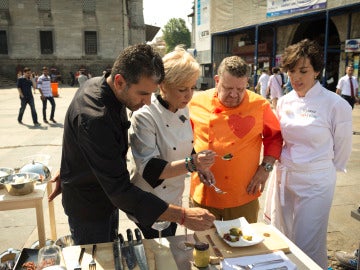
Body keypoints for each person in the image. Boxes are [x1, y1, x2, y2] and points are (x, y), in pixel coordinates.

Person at [51, 44, 215, 245]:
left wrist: (70, 167)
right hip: (90, 205)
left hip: (106, 194)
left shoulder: (101, 85)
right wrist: (182, 216)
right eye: (143, 94)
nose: (147, 102)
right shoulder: (96, 117)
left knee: (111, 249)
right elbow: (121, 189)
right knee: (99, 257)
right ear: (120, 81)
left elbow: (77, 138)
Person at [263, 39, 353, 269]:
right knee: (282, 237)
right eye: (292, 71)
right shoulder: (284, 102)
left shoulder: (335, 104)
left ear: (317, 71)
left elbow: (342, 149)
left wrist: (320, 170)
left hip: (316, 181)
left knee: (308, 242)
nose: (296, 78)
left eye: (303, 71)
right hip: (285, 177)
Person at [128, 47, 216, 239]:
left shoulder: (183, 109)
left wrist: (200, 167)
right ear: (163, 86)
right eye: (182, 89)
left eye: (193, 87)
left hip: (174, 198)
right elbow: (150, 169)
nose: (189, 95)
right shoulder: (145, 115)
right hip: (149, 201)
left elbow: (184, 144)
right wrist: (193, 163)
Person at [189, 55, 283, 223]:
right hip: (204, 193)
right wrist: (194, 163)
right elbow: (185, 141)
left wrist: (265, 168)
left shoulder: (260, 105)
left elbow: (274, 138)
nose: (234, 95)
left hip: (243, 194)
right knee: (205, 245)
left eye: (241, 89)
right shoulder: (196, 103)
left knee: (244, 245)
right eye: (228, 88)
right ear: (217, 80)